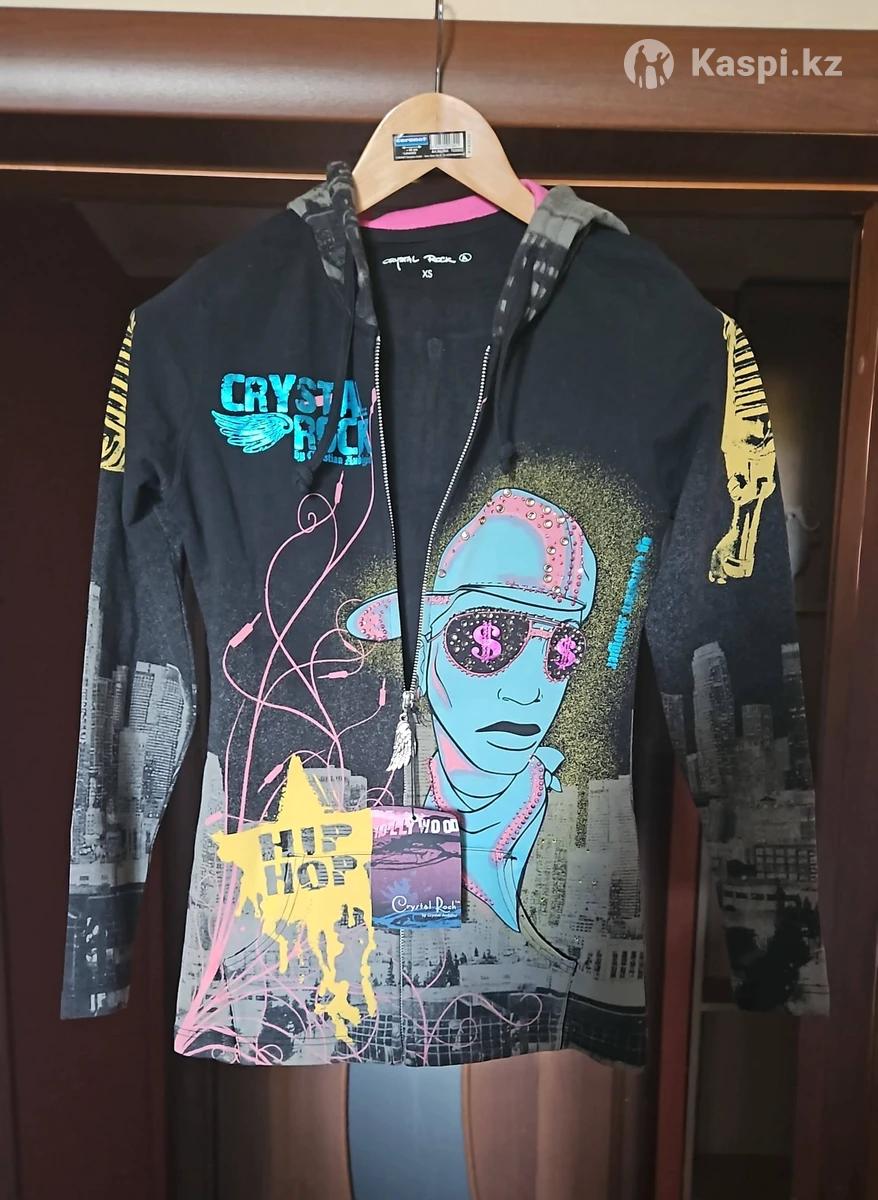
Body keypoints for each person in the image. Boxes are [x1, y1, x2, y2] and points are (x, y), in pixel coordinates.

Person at [346, 488, 597, 932]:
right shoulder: (406, 812)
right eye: (488, 638)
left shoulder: (586, 810)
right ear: (423, 654)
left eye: (562, 649)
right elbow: (418, 947)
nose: (529, 692)